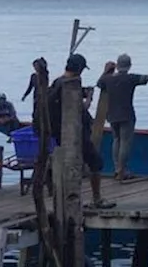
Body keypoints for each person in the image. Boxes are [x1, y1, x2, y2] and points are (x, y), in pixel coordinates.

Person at [96, 54, 148, 181]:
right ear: (129, 66)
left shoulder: (108, 79)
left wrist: (106, 71)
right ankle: (121, 170)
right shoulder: (131, 78)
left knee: (116, 140)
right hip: (127, 114)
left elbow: (99, 83)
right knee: (125, 142)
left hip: (112, 114)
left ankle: (117, 168)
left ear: (117, 66)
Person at [47, 54, 114, 208]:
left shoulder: (57, 83)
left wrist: (82, 92)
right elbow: (78, 109)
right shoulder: (70, 83)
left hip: (60, 134)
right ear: (80, 69)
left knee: (66, 165)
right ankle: (96, 199)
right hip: (75, 134)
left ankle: (63, 197)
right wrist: (89, 98)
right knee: (96, 163)